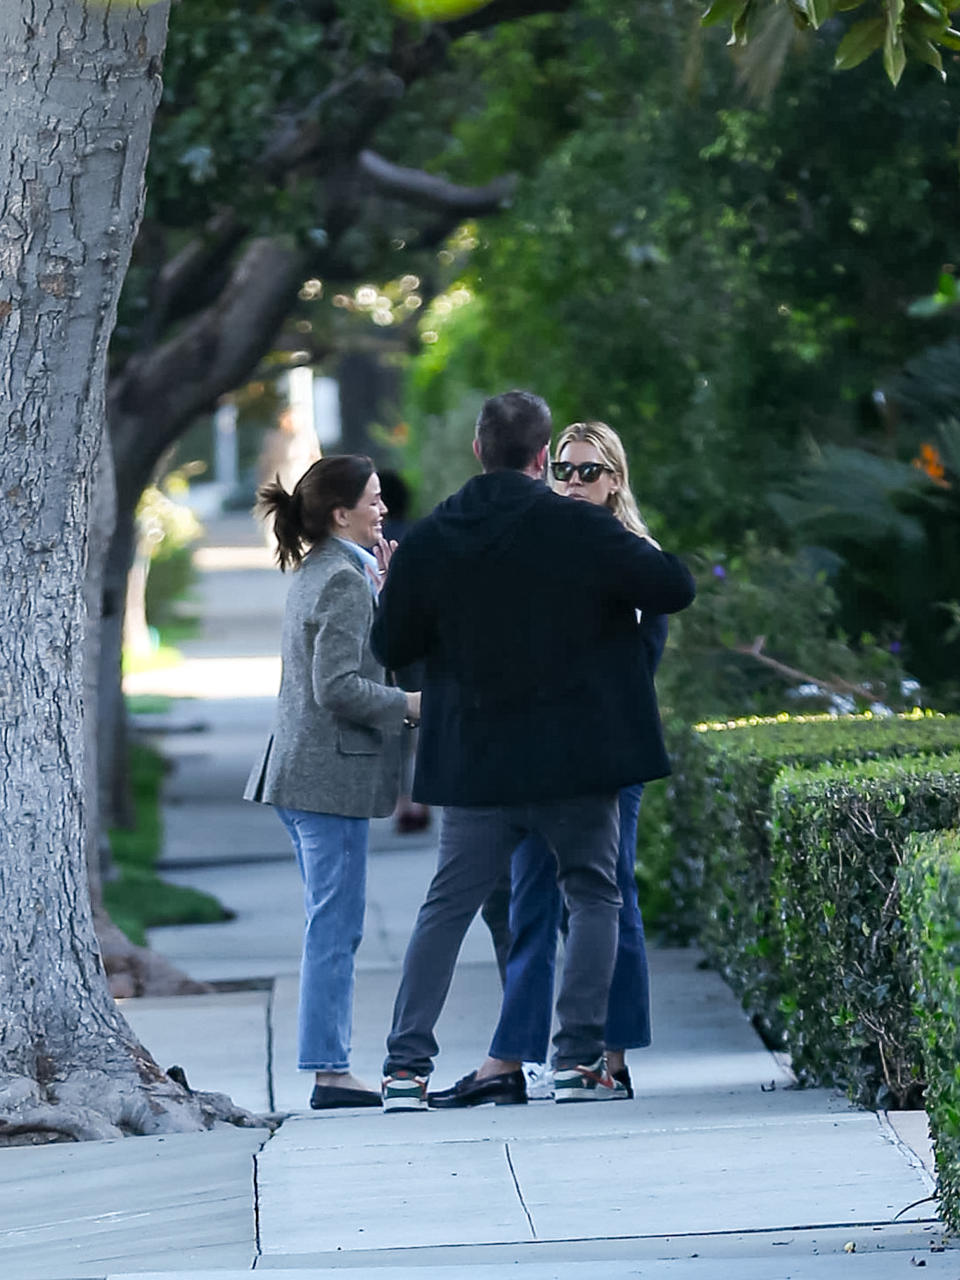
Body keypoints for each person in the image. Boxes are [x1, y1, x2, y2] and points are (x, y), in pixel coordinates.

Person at [370, 391, 695, 1111]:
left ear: (479, 452)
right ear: (543, 458)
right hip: (577, 759)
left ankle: (403, 1069)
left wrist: (405, 598)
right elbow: (673, 586)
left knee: (446, 908)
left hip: (476, 762)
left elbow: (390, 647)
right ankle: (578, 1062)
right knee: (593, 894)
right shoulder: (579, 529)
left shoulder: (432, 538)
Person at [447, 421, 667, 1109]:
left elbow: (634, 671)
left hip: (603, 759)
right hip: (534, 758)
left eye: (588, 472)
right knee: (526, 898)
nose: (573, 483)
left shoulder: (634, 557)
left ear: (614, 481)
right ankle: (512, 1061)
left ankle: (610, 1058)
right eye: (563, 471)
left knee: (609, 900)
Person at [243, 455, 420, 1110]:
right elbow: (337, 686)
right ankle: (328, 1071)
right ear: (340, 513)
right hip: (327, 779)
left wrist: (386, 593)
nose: (383, 510)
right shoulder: (341, 580)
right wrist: (410, 705)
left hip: (308, 774)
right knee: (335, 926)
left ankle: (329, 1065)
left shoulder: (334, 570)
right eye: (372, 501)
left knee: (333, 922)